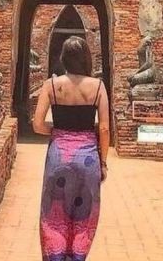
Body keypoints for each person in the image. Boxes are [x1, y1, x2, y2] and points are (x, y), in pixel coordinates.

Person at [33, 36, 110, 261]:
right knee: (84, 217)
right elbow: (104, 129)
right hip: (88, 158)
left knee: (54, 216)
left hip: (58, 155)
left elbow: (37, 125)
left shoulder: (52, 85)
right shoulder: (97, 86)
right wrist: (103, 162)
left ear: (64, 58)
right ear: (86, 58)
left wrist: (58, 132)